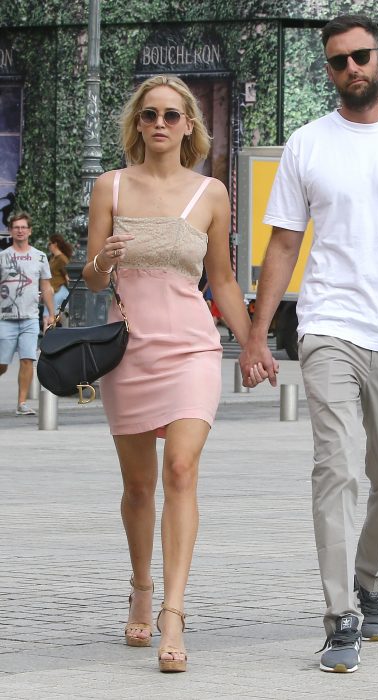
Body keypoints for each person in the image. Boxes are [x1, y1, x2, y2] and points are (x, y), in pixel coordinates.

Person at [240, 14, 378, 674]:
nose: (351, 70)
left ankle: (370, 583)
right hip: (329, 326)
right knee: (336, 467)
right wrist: (257, 333)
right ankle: (340, 613)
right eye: (338, 62)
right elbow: (283, 243)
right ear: (329, 69)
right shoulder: (307, 145)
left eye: (360, 57)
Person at [82, 75, 267, 674]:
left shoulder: (212, 193)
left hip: (191, 346)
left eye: (171, 115)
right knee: (139, 488)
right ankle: (140, 586)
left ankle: (173, 613)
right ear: (137, 123)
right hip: (129, 350)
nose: (159, 124)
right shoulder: (108, 186)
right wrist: (100, 261)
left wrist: (253, 342)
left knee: (181, 470)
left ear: (189, 125)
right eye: (149, 115)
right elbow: (87, 278)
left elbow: (223, 279)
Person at [0, 211, 55, 415]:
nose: (20, 230)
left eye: (23, 227)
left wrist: (51, 314)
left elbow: (47, 287)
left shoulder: (39, 257)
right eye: (16, 227)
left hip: (30, 317)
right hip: (6, 318)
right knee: (2, 364)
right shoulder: (2, 257)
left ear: (29, 231)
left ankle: (21, 403)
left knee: (27, 359)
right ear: (10, 231)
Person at [43, 233, 73, 332]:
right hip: (52, 291)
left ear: (55, 244)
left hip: (59, 291)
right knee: (47, 318)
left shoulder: (62, 259)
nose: (48, 246)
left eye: (49, 244)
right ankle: (47, 342)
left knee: (50, 318)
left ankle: (48, 343)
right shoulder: (53, 258)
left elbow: (67, 276)